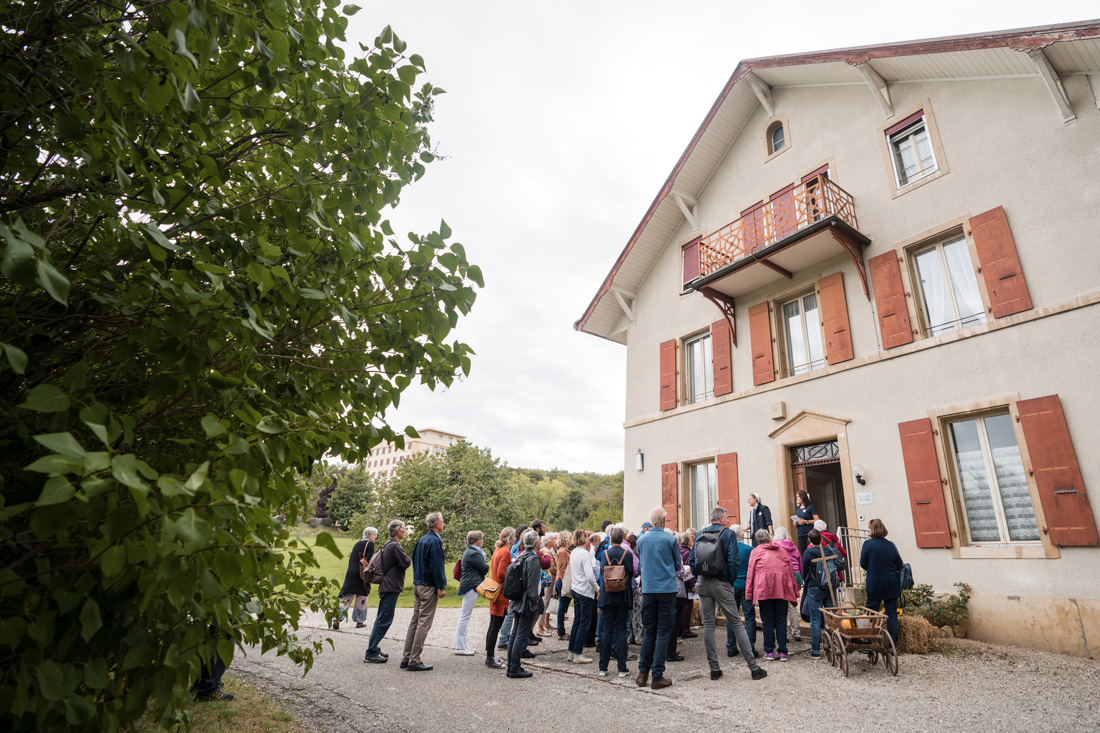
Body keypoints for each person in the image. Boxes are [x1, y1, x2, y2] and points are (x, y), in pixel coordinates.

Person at [690, 508, 767, 682]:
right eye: (726, 517)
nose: (727, 520)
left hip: (702, 582)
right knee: (736, 623)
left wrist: (699, 577)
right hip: (721, 582)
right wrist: (728, 581)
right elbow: (734, 560)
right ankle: (754, 669)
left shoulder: (700, 533)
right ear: (720, 517)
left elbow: (692, 561)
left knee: (708, 625)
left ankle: (714, 669)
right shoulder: (728, 534)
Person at [634, 507, 680, 690]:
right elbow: (678, 565)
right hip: (666, 589)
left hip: (648, 589)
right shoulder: (670, 539)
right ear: (663, 522)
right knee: (663, 632)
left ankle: (642, 673)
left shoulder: (641, 540)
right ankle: (657, 675)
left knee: (649, 630)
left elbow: (641, 562)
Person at [401, 512, 446, 672]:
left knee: (415, 620)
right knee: (423, 623)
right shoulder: (434, 541)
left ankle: (407, 657)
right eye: (442, 521)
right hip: (428, 585)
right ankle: (414, 659)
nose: (443, 523)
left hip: (418, 583)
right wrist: (441, 586)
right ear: (435, 524)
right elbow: (437, 566)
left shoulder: (421, 540)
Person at [745, 529, 798, 661]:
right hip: (782, 588)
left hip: (764, 589)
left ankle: (769, 651)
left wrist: (749, 592)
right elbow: (790, 570)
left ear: (757, 540)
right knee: (781, 620)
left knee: (767, 621)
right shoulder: (781, 550)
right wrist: (794, 589)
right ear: (769, 538)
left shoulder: (756, 551)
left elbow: (750, 573)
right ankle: (782, 652)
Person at [364, 520, 412, 663]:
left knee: (383, 618)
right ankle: (371, 651)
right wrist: (406, 558)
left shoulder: (388, 543)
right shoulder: (395, 546)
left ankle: (374, 648)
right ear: (398, 530)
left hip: (387, 585)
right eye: (404, 529)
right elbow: (406, 562)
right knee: (384, 619)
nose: (405, 531)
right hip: (390, 586)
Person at [597, 525, 634, 678]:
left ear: (610, 538)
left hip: (607, 595)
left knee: (607, 630)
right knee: (620, 631)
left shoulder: (604, 553)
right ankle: (621, 667)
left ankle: (603, 667)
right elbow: (631, 573)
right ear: (623, 538)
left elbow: (601, 571)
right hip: (622, 595)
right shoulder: (627, 554)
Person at [860, 518, 904, 644]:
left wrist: (873, 567)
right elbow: (899, 564)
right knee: (892, 615)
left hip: (875, 582)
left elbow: (863, 564)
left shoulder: (868, 544)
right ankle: (892, 644)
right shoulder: (890, 545)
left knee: (871, 614)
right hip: (891, 583)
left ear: (872, 530)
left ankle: (868, 640)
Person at [506, 530, 543, 678]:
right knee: (521, 634)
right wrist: (534, 602)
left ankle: (511, 666)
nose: (540, 542)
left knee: (515, 634)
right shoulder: (533, 558)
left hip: (517, 598)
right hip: (526, 601)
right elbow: (533, 584)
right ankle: (514, 668)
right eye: (539, 540)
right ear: (535, 543)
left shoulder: (522, 554)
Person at [725, 524, 759, 659]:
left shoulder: (727, 550)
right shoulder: (750, 550)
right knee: (749, 616)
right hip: (746, 585)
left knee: (731, 616)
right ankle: (750, 647)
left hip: (731, 585)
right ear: (742, 535)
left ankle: (731, 647)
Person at [453, 530, 489, 656]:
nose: (482, 541)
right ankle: (460, 647)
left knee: (464, 616)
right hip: (470, 586)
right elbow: (485, 568)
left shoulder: (472, 552)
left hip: (469, 584)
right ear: (475, 541)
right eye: (481, 539)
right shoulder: (473, 553)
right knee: (464, 617)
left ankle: (461, 645)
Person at [485, 527, 515, 668]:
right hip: (501, 593)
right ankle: (490, 657)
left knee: (493, 626)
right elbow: (502, 573)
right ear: (509, 538)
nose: (515, 539)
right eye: (514, 537)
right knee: (495, 626)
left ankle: (489, 655)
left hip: (495, 590)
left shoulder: (498, 550)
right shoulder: (505, 551)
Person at [336, 526, 376, 630]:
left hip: (351, 572)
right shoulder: (370, 544)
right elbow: (370, 559)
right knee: (362, 597)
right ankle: (359, 621)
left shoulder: (357, 543)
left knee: (346, 596)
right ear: (370, 535)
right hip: (362, 573)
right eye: (374, 535)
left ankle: (336, 619)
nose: (375, 537)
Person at [567, 528, 597, 664]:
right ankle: (578, 653)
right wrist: (597, 589)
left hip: (576, 588)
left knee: (577, 621)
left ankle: (571, 651)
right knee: (584, 623)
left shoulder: (573, 552)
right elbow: (590, 575)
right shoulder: (584, 554)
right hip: (585, 591)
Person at [498, 523, 529, 651]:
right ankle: (504, 638)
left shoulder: (503, 550)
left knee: (510, 612)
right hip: (510, 585)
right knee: (510, 613)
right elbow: (501, 572)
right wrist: (511, 579)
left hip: (509, 585)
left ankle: (505, 637)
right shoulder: (506, 550)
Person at [800, 529, 829, 659]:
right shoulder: (828, 550)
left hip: (814, 587)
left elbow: (803, 570)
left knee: (815, 619)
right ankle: (834, 644)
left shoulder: (808, 552)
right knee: (832, 617)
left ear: (810, 540)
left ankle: (816, 651)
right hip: (829, 588)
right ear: (821, 540)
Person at [773, 527, 803, 642]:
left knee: (781, 606)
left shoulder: (776, 546)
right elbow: (799, 562)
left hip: (784, 575)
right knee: (793, 605)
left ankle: (783, 634)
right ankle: (796, 633)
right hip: (796, 575)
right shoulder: (793, 545)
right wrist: (801, 576)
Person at [814, 519, 849, 584]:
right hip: (835, 569)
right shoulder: (833, 538)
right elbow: (843, 553)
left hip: (824, 570)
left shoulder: (818, 539)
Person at [537, 532, 558, 636]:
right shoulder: (546, 551)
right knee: (545, 602)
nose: (554, 541)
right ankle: (540, 627)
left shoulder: (547, 550)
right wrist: (558, 572)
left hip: (548, 578)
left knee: (546, 602)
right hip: (548, 578)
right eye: (553, 540)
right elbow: (551, 567)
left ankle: (542, 625)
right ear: (548, 541)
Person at [554, 530, 573, 640]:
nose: (571, 540)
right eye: (570, 538)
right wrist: (565, 584)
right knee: (562, 606)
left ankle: (561, 630)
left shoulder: (565, 551)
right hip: (563, 581)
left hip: (564, 581)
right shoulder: (562, 552)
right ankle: (560, 632)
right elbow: (562, 570)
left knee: (563, 606)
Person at [627, 532, 644, 645]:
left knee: (630, 612)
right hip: (634, 585)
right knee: (637, 612)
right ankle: (638, 637)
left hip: (629, 585)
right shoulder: (634, 554)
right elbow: (637, 570)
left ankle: (630, 636)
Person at [794, 490, 821, 555]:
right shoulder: (797, 509)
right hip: (800, 534)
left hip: (809, 534)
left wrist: (806, 521)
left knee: (811, 551)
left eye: (798, 497)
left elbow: (817, 520)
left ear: (802, 497)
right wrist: (795, 523)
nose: (797, 498)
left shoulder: (810, 507)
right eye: (796, 497)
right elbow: (795, 522)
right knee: (803, 553)